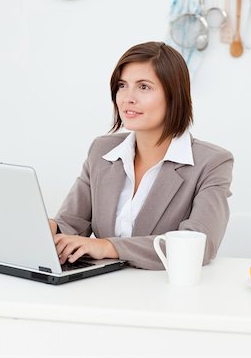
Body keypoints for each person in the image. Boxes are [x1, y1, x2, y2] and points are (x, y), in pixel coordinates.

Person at [49, 41, 234, 270]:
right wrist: (49, 228)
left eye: (144, 87)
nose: (128, 97)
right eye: (122, 86)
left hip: (166, 293)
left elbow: (199, 245)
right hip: (102, 289)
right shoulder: (102, 151)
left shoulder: (212, 162)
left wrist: (109, 247)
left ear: (174, 95)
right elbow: (72, 222)